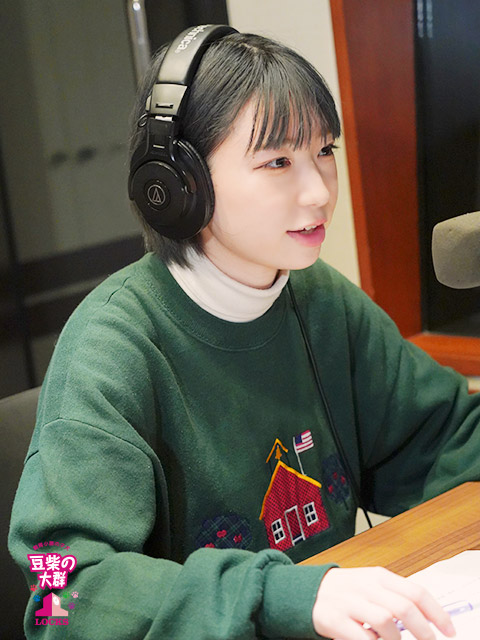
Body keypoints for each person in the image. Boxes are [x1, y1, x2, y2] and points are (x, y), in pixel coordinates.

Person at [8, 25, 480, 640]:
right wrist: (280, 596)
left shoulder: (317, 299)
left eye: (325, 150)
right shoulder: (111, 350)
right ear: (179, 184)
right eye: (278, 161)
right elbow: (62, 597)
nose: (319, 191)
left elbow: (443, 440)